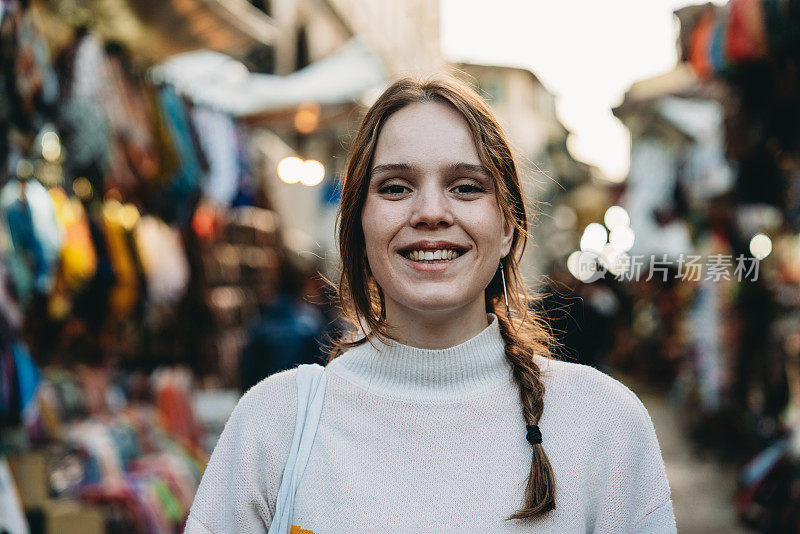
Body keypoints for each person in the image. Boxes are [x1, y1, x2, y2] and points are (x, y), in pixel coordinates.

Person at [185, 77, 676, 533]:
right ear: (359, 225)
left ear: (507, 228)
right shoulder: (274, 425)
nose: (431, 213)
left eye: (465, 187)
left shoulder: (605, 424)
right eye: (396, 187)